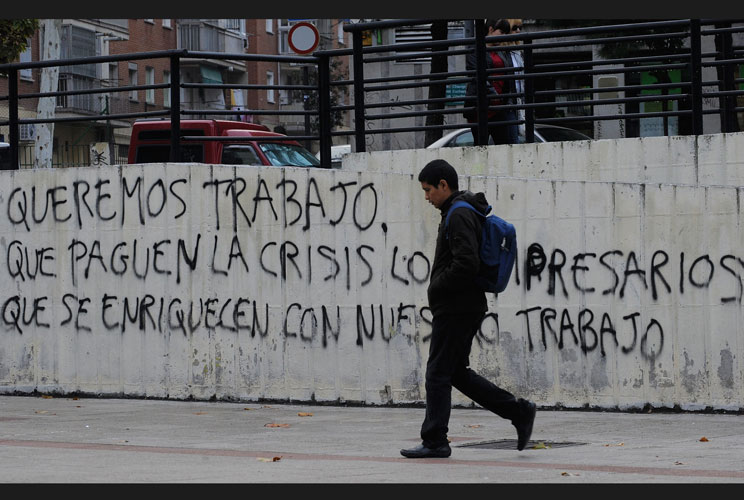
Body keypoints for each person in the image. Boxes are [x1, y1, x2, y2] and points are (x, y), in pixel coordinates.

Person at [400, 159, 537, 459]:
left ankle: (435, 440)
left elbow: (466, 263)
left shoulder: (459, 213)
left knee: (437, 372)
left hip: (457, 306)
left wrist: (437, 287)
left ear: (443, 186)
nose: (426, 197)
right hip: (462, 305)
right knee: (455, 373)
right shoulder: (459, 210)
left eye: (428, 190)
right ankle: (518, 411)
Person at [464, 19, 517, 145]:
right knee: (481, 145)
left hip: (499, 108)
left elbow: (508, 75)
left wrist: (506, 99)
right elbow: (477, 76)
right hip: (481, 107)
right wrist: (494, 94)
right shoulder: (475, 49)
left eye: (506, 33)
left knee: (503, 145)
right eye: (501, 32)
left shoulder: (501, 51)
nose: (504, 36)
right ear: (491, 29)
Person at [505, 19, 525, 143]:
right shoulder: (504, 51)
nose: (518, 31)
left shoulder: (518, 51)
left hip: (519, 101)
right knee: (513, 140)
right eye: (514, 28)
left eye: (520, 28)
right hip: (509, 102)